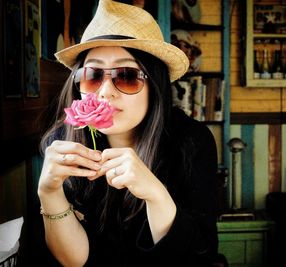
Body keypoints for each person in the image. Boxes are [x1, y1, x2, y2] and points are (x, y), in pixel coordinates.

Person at [37, 0, 219, 266]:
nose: (105, 91)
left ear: (154, 85)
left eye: (126, 76)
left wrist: (156, 195)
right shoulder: (62, 144)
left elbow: (199, 258)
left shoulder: (192, 142)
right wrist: (49, 194)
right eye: (93, 75)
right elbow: (73, 262)